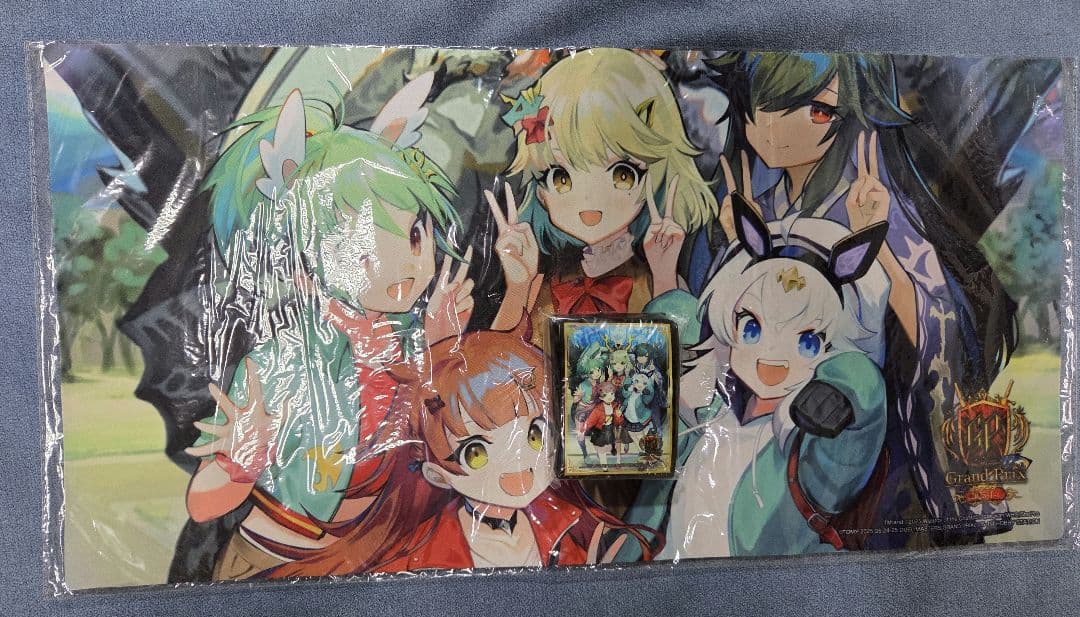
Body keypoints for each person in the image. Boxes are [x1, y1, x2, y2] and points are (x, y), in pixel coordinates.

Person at [183, 81, 473, 579]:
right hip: (273, 565)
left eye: (413, 235)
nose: (404, 268)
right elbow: (203, 504)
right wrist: (243, 461)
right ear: (300, 258)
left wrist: (442, 349)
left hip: (372, 561)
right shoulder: (279, 364)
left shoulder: (414, 339)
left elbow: (472, 434)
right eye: (363, 249)